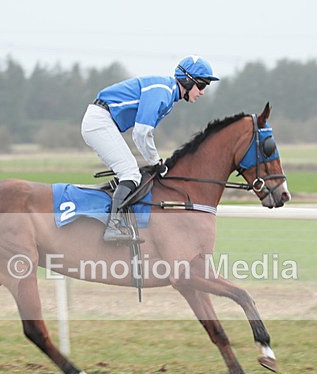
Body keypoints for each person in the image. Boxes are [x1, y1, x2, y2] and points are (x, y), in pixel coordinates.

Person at [81, 56, 219, 242]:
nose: (202, 92)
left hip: (103, 121)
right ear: (187, 80)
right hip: (100, 121)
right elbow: (141, 132)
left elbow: (143, 135)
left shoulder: (168, 94)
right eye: (201, 86)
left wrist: (155, 161)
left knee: (129, 173)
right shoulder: (162, 91)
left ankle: (116, 219)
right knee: (130, 174)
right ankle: (112, 227)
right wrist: (156, 162)